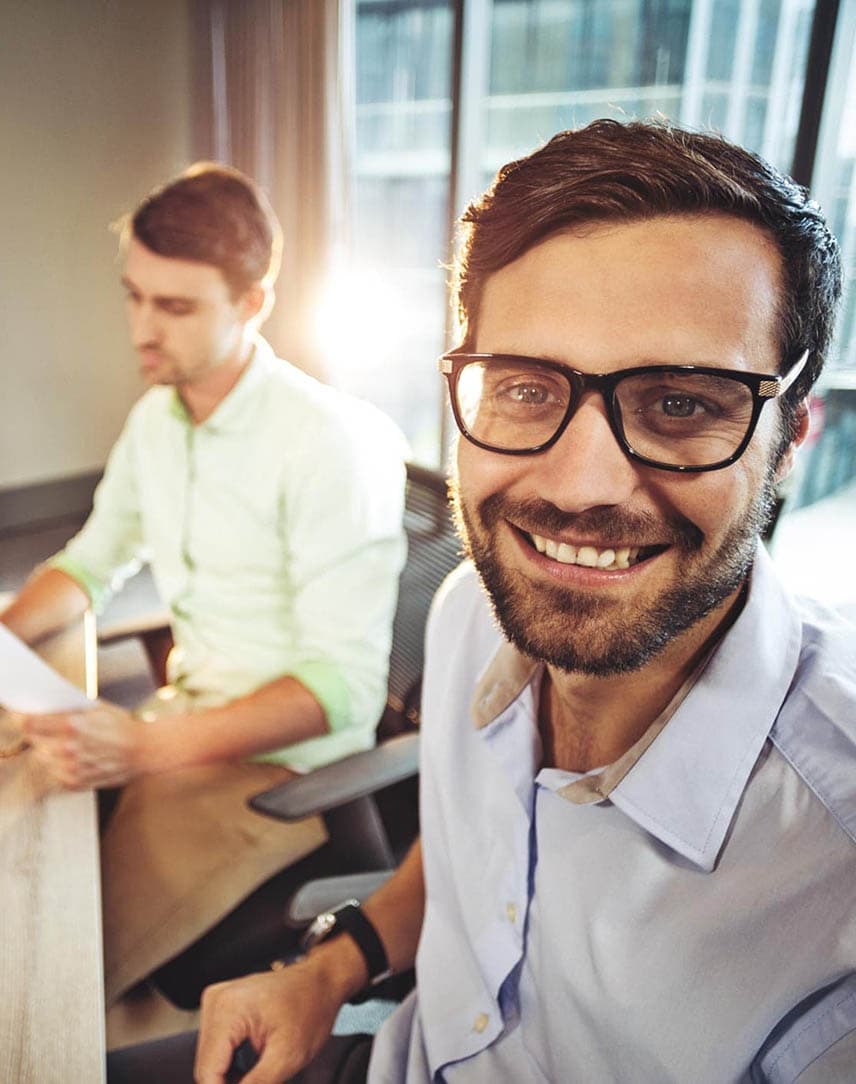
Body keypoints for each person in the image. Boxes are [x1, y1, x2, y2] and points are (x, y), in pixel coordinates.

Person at [115, 119, 855, 1083]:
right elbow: (471, 851)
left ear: (792, 436)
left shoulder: (829, 878)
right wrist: (331, 968)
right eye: (525, 387)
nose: (583, 485)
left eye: (681, 402)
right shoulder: (474, 608)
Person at [1, 163, 408, 1008]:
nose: (142, 331)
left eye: (176, 308)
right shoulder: (160, 414)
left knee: (42, 965)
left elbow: (342, 688)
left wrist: (145, 748)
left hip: (273, 768)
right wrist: (6, 631)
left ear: (253, 303)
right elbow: (90, 560)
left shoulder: (333, 442)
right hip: (180, 717)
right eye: (135, 297)